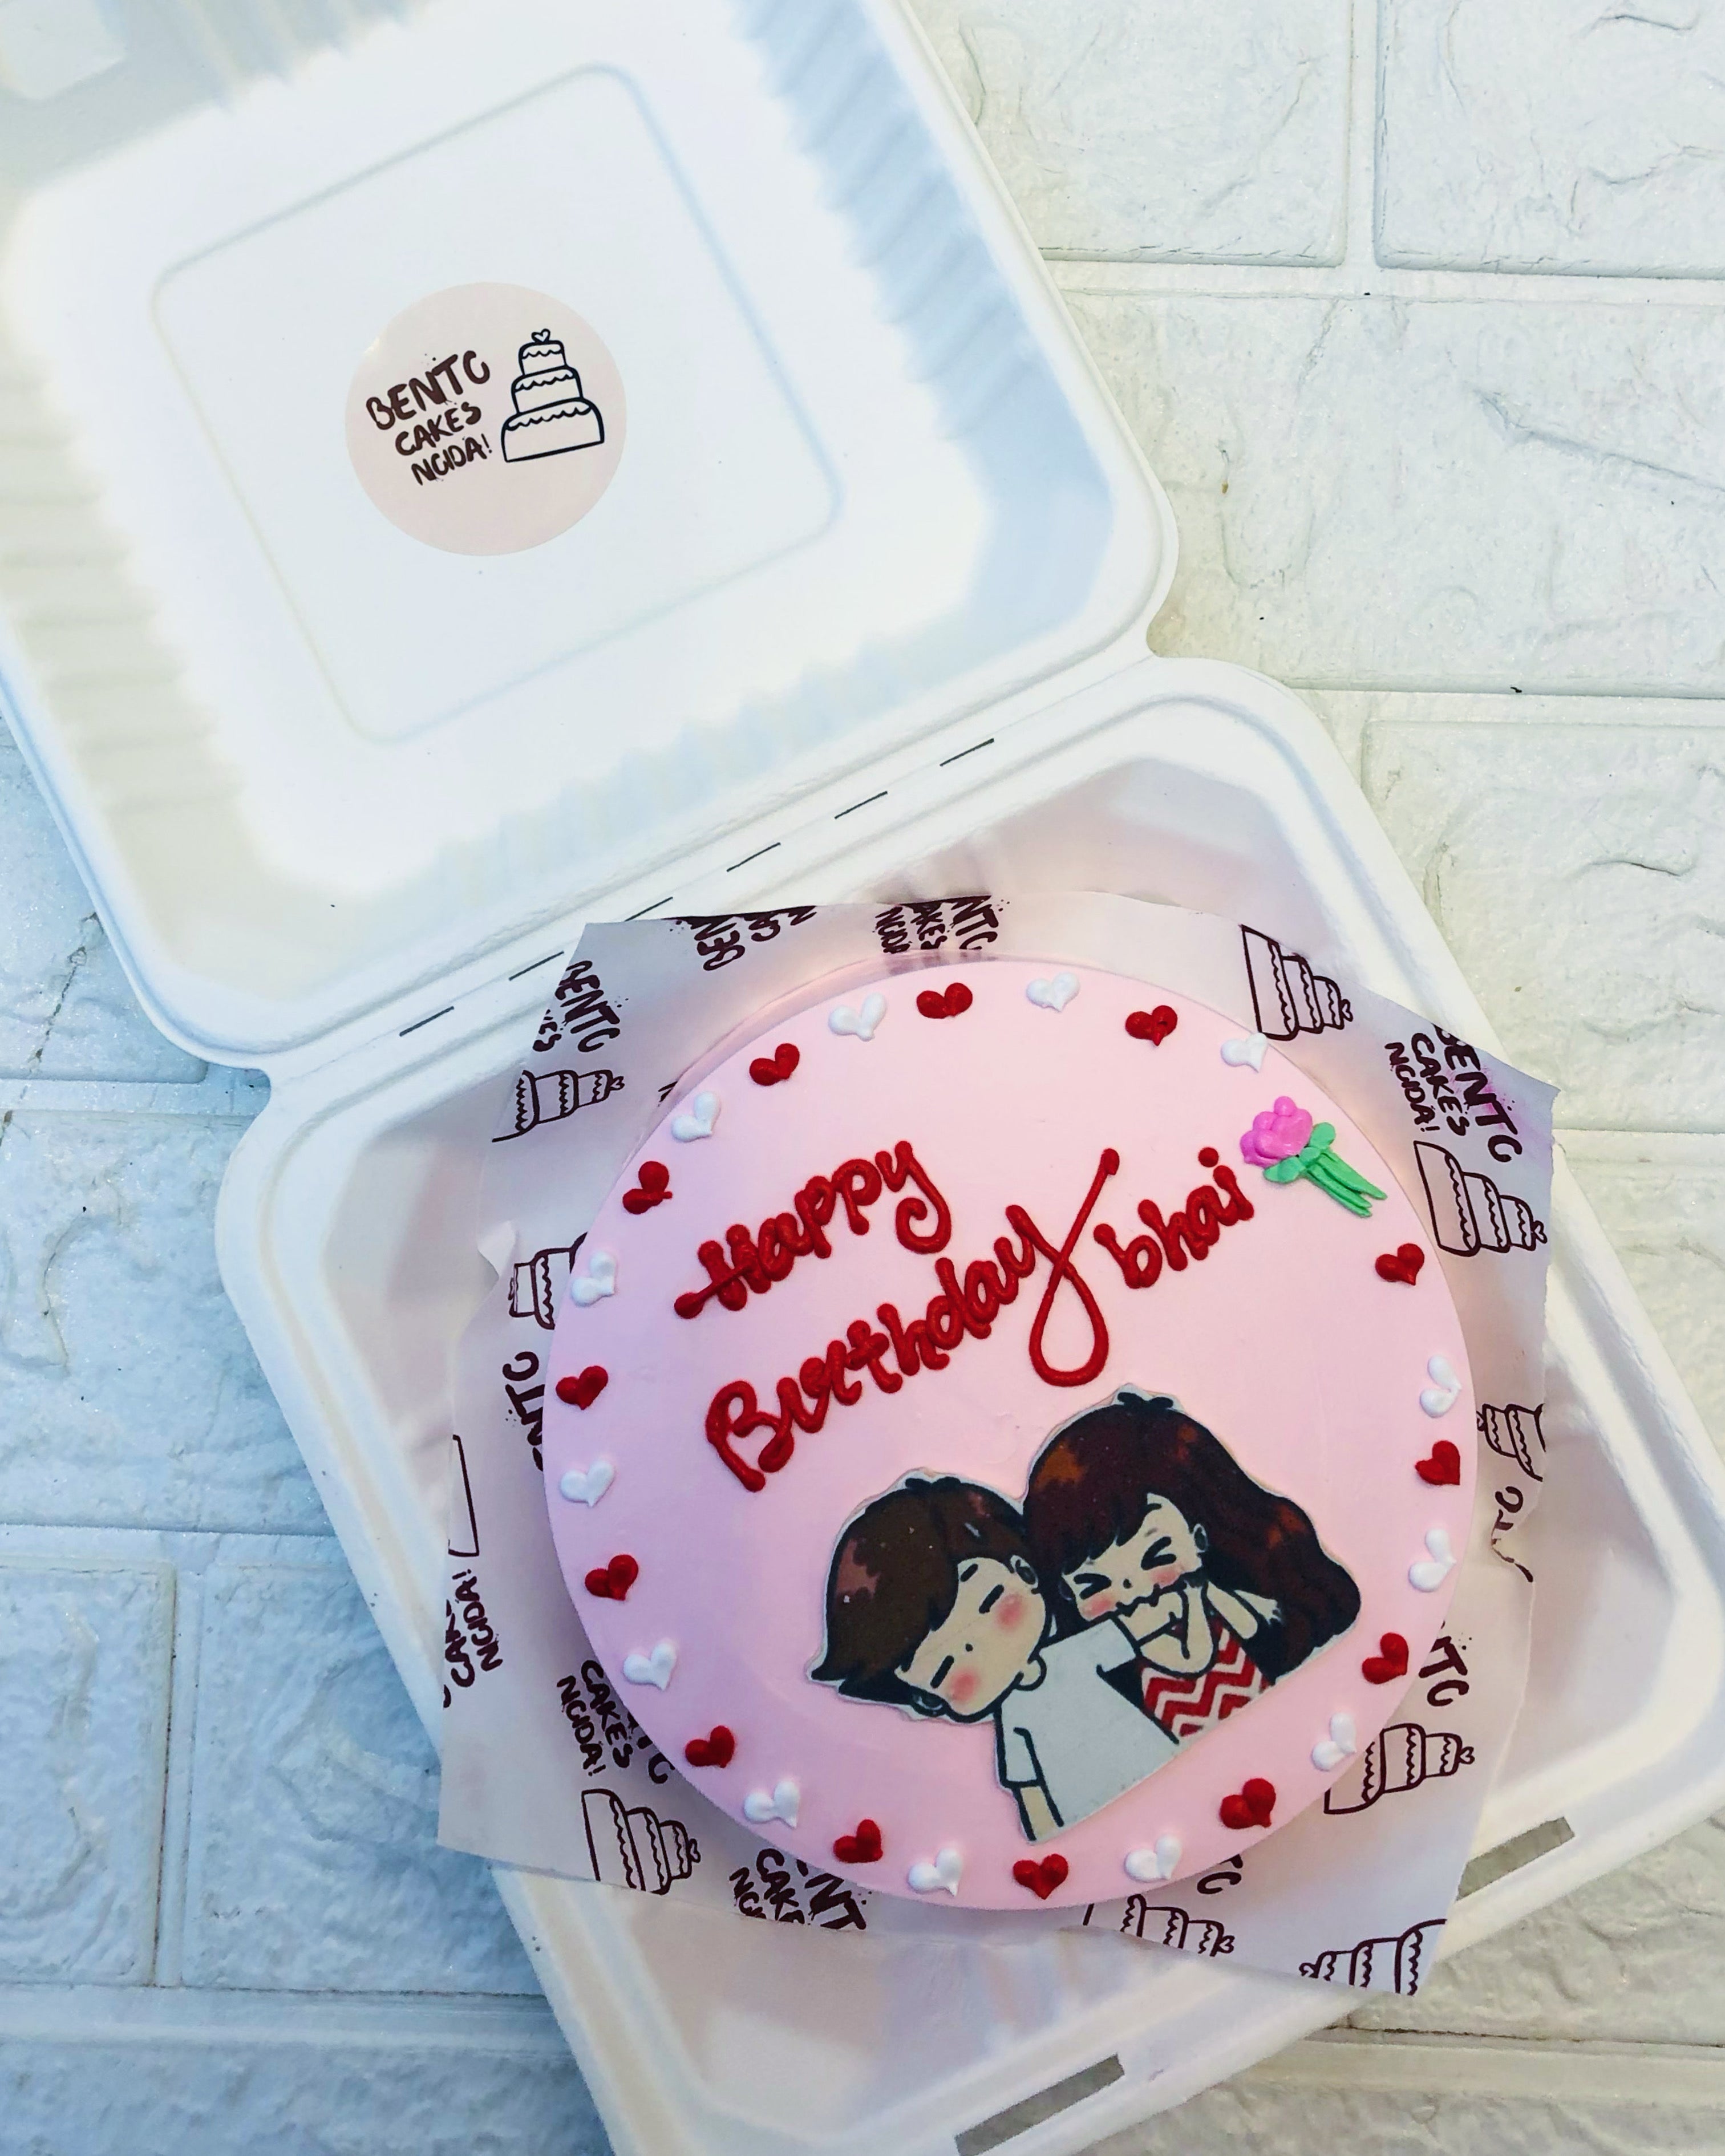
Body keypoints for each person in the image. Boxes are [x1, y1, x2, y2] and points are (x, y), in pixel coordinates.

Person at [811, 1476, 1178, 1840]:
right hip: (1082, 1807)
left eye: (990, 1604)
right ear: (926, 1697)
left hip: (1158, 1762)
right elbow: (1031, 1794)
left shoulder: (1076, 1652)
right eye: (945, 1668)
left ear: (1025, 1571)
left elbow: (1153, 1634)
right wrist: (1045, 1842)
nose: (978, 1651)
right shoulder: (1014, 1721)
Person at [1022, 1390, 1360, 1745]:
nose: (1136, 1594)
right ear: (1066, 1594)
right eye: (1094, 1586)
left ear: (1201, 1537)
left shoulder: (1254, 1619)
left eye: (1159, 1556)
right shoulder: (1099, 1694)